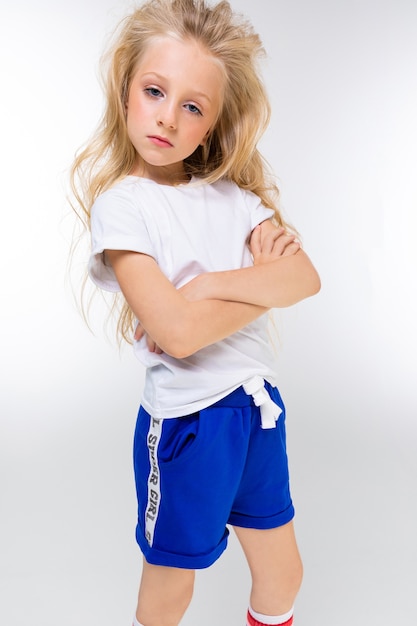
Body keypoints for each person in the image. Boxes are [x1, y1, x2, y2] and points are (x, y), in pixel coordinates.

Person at [70, 0, 321, 624]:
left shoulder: (234, 199)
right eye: (155, 91)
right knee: (171, 584)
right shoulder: (123, 209)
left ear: (209, 126)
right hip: (187, 423)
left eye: (192, 106)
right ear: (126, 89)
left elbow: (304, 280)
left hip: (256, 410)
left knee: (283, 572)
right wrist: (257, 283)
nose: (167, 117)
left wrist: (207, 284)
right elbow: (177, 335)